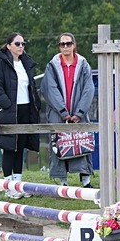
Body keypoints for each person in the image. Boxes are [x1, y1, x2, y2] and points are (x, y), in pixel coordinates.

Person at [41, 32, 95, 187]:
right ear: (59, 46)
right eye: (62, 44)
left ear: (74, 45)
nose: (65, 47)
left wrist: (79, 112)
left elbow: (88, 88)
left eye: (68, 43)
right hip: (59, 114)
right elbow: (50, 88)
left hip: (79, 112)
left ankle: (86, 181)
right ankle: (63, 181)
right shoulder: (52, 65)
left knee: (82, 142)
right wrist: (63, 111)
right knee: (59, 145)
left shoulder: (84, 64)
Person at [0, 33, 41, 194]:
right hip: (9, 110)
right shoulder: (1, 63)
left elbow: (31, 86)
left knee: (20, 147)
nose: (21, 46)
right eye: (17, 43)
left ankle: (18, 185)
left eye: (23, 43)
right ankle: (8, 187)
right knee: (10, 147)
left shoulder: (25, 62)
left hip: (25, 109)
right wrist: (7, 104)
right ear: (8, 46)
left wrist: (35, 103)